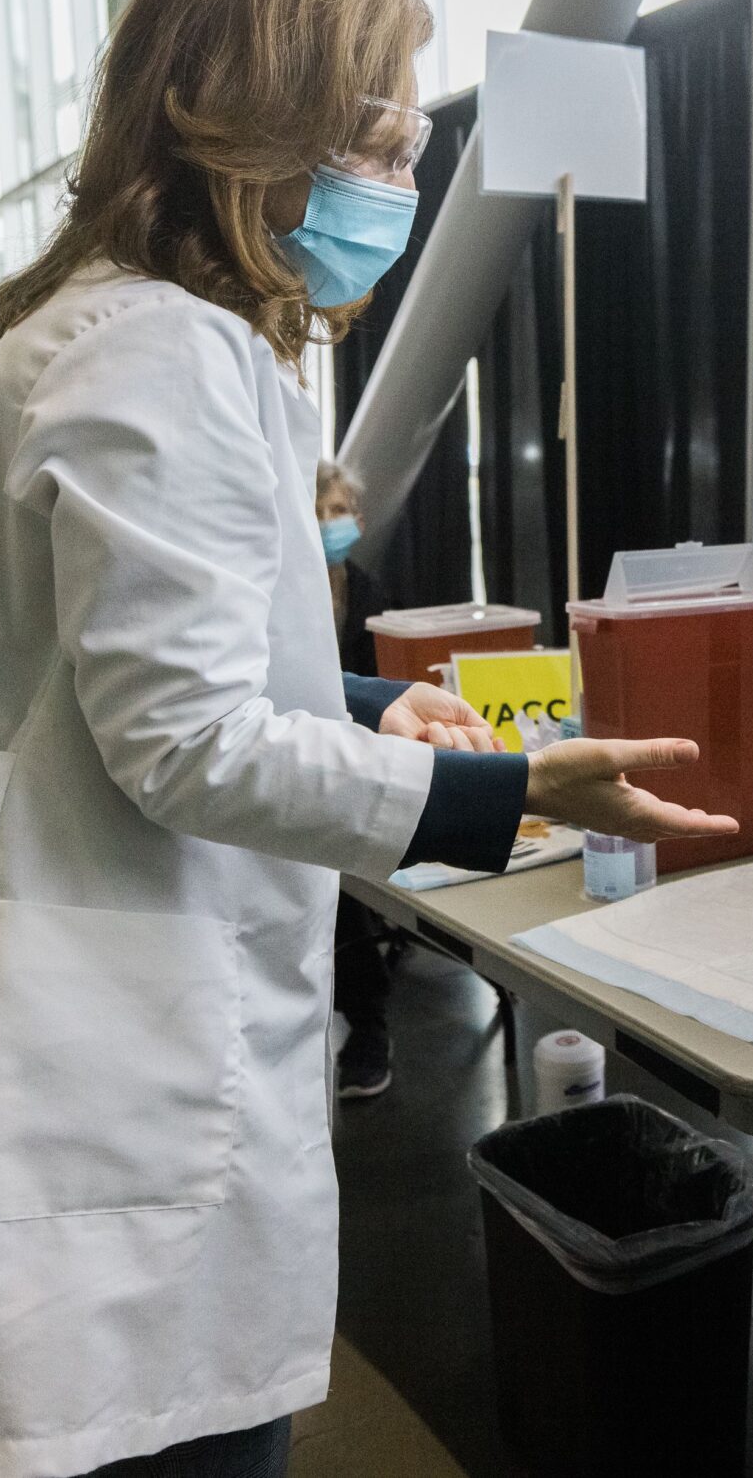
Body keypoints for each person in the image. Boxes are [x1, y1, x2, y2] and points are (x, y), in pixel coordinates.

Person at [0, 0, 735, 1478]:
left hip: (84, 989)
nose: (401, 170)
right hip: (97, 1029)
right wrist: (515, 790)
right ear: (260, 124)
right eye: (382, 129)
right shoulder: (159, 348)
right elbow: (183, 738)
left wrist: (361, 702)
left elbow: (147, 655)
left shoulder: (129, 331)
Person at [317, 459, 400, 1098]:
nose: (329, 523)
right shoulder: (277, 594)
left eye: (338, 511)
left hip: (371, 756)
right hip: (313, 761)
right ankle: (366, 1026)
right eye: (318, 511)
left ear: (359, 520)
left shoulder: (372, 594)